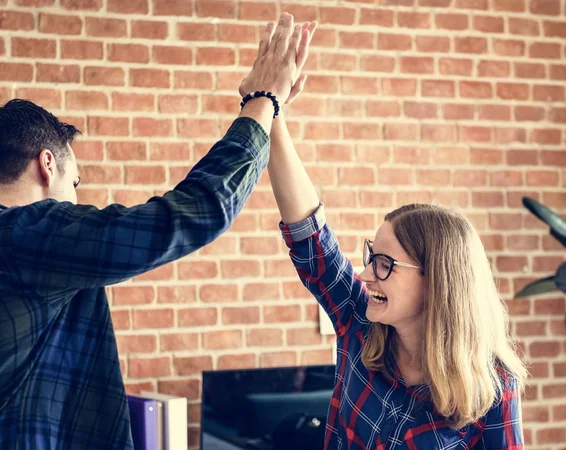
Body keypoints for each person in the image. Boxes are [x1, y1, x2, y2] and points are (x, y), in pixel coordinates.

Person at [0, 13, 308, 449]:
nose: (76, 199)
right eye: (76, 183)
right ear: (47, 165)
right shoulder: (25, 236)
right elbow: (196, 211)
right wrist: (262, 100)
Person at [260, 24, 528, 450]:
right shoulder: (360, 324)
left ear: (437, 280)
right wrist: (268, 109)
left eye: (384, 264)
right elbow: (308, 230)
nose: (366, 274)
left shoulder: (494, 385)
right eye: (371, 256)